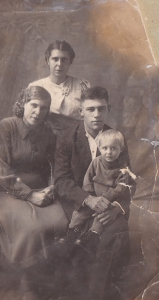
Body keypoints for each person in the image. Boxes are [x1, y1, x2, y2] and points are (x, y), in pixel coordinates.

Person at [54, 86, 131, 300]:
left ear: (108, 109)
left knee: (113, 231)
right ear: (81, 112)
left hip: (109, 205)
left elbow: (128, 181)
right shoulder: (67, 138)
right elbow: (61, 180)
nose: (96, 114)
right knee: (78, 239)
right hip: (78, 202)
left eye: (101, 109)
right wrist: (88, 199)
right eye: (91, 109)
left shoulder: (116, 139)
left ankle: (96, 293)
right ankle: (73, 290)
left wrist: (117, 209)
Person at [0, 86, 69, 300]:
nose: (37, 111)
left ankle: (49, 278)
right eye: (33, 105)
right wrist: (29, 195)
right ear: (22, 105)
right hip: (9, 191)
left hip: (42, 188)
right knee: (32, 228)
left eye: (43, 108)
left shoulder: (47, 133)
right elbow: (1, 170)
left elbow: (54, 165)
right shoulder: (6, 126)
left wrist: (52, 186)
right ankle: (29, 283)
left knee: (62, 223)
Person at [69, 129, 135, 234]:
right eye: (105, 148)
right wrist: (90, 195)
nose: (109, 152)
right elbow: (88, 179)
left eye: (113, 148)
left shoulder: (123, 169)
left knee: (101, 220)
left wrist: (106, 199)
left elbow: (120, 189)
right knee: (79, 214)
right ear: (99, 148)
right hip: (93, 198)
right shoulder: (96, 162)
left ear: (121, 149)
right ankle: (71, 233)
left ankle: (91, 237)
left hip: (109, 201)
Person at [29, 40, 90, 134]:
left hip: (76, 138)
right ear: (48, 61)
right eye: (55, 59)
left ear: (70, 62)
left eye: (64, 59)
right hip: (44, 138)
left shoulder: (82, 86)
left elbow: (90, 116)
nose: (60, 64)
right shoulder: (36, 86)